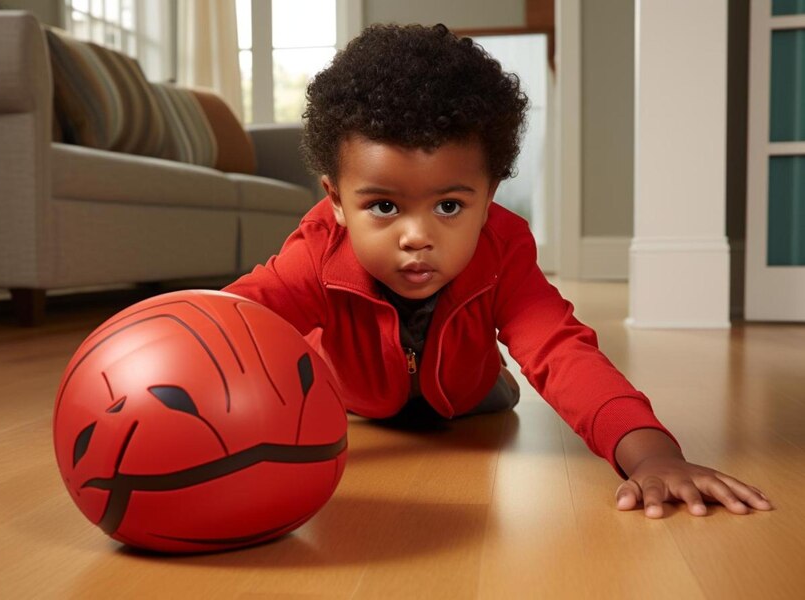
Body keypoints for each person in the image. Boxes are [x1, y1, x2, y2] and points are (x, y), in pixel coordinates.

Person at [224, 23, 773, 519]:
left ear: (489, 198)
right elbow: (230, 318)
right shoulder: (317, 251)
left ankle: (488, 374)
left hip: (467, 395)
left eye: (449, 206)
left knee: (495, 391)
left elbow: (562, 351)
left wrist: (653, 454)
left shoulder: (503, 247)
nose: (417, 237)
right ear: (338, 202)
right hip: (351, 397)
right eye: (384, 207)